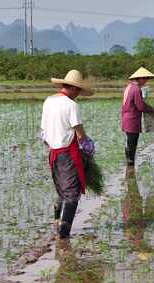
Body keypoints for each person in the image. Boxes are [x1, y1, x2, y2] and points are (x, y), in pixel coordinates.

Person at [41, 70, 95, 239]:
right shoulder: (72, 105)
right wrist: (88, 146)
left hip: (53, 154)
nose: (78, 94)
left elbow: (43, 132)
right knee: (71, 194)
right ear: (72, 88)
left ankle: (57, 226)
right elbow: (79, 134)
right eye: (78, 90)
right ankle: (63, 235)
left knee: (62, 192)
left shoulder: (49, 101)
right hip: (67, 155)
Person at [122, 67, 154, 166]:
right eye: (145, 78)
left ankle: (129, 162)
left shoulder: (128, 87)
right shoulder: (136, 89)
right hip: (132, 119)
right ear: (140, 78)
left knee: (130, 141)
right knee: (133, 141)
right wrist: (152, 110)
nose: (146, 81)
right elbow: (140, 106)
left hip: (126, 118)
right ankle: (130, 163)